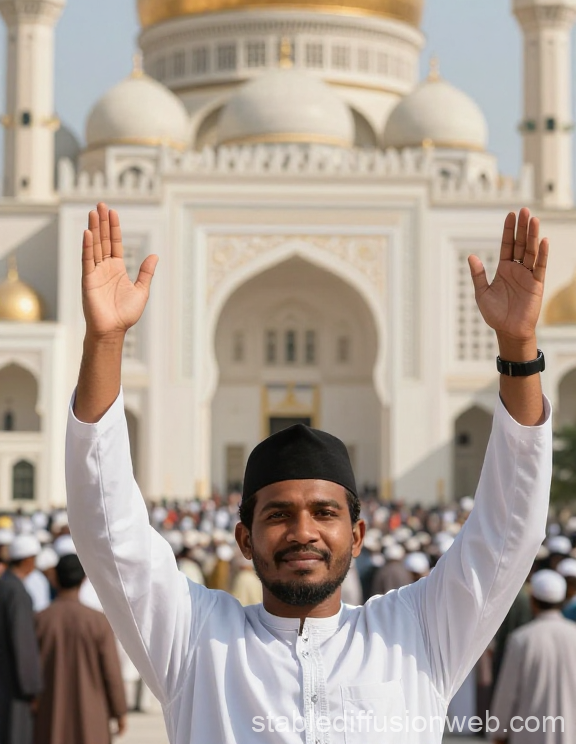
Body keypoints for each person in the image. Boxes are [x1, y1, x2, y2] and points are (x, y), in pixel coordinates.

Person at [66, 204, 552, 744]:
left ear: (358, 533)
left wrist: (517, 349)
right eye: (279, 514)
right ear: (245, 539)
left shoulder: (416, 633)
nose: (304, 532)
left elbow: (509, 532)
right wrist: (105, 343)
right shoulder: (196, 641)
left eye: (325, 512)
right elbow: (107, 530)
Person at [34, 554, 127, 744]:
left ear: (55, 578)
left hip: (50, 711)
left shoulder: (40, 620)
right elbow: (111, 672)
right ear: (84, 579)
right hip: (91, 713)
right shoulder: (97, 622)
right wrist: (120, 711)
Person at [490, 569, 576, 743]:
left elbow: (507, 692)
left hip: (530, 732)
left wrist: (499, 731)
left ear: (533, 601)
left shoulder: (521, 639)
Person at [0, 536, 43, 744]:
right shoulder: (16, 592)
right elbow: (23, 644)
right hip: (14, 687)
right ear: (28, 560)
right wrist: (32, 687)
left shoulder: (6, 585)